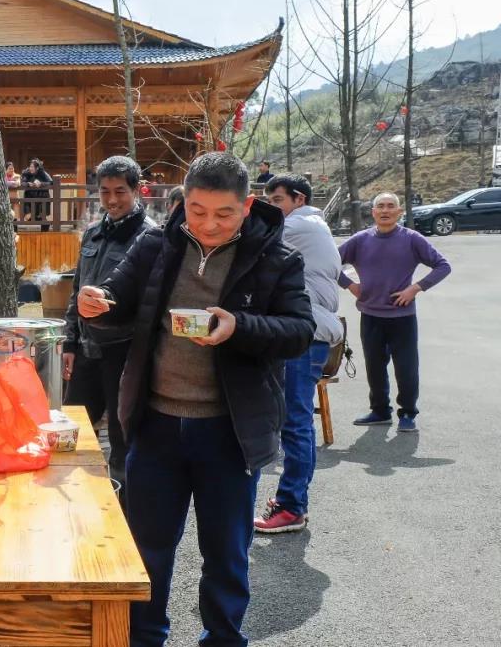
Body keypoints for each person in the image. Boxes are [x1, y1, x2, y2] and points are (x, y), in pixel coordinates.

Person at [77, 152, 313, 647]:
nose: (208, 224)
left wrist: (238, 326)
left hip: (229, 431)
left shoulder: (276, 258)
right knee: (149, 548)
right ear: (184, 201)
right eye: (198, 210)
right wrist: (95, 307)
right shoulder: (155, 246)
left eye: (224, 214)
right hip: (156, 424)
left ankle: (223, 639)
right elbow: (116, 308)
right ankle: (144, 637)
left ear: (247, 205)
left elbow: (299, 331)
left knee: (226, 551)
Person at [254, 174, 343, 533]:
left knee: (294, 422)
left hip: (304, 335)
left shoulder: (298, 225)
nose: (272, 207)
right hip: (307, 333)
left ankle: (292, 506)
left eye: (277, 200)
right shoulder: (311, 225)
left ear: (299, 199)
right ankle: (291, 500)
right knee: (294, 420)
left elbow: (250, 243)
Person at [63, 156, 156, 481]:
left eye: (120, 191)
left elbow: (150, 304)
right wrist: (70, 342)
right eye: (105, 192)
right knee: (71, 433)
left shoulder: (151, 238)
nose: (112, 200)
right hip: (86, 353)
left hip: (125, 355)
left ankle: (127, 514)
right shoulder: (91, 235)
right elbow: (76, 292)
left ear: (136, 190)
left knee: (123, 439)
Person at [339, 192, 451, 433]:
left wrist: (416, 288)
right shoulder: (360, 240)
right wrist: (350, 285)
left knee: (406, 369)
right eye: (381, 206)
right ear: (373, 212)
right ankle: (380, 411)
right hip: (371, 316)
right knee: (375, 367)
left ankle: (408, 413)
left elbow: (443, 266)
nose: (385, 210)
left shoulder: (412, 239)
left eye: (391, 206)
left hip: (403, 318)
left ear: (399, 212)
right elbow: (329, 262)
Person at [20, 158, 53, 232]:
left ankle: (44, 231)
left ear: (37, 168)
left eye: (32, 167)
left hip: (42, 196)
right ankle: (45, 223)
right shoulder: (27, 173)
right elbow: (22, 183)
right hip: (30, 197)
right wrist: (28, 184)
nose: (30, 168)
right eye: (30, 166)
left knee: (42, 217)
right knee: (29, 218)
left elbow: (51, 182)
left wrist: (41, 184)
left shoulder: (42, 173)